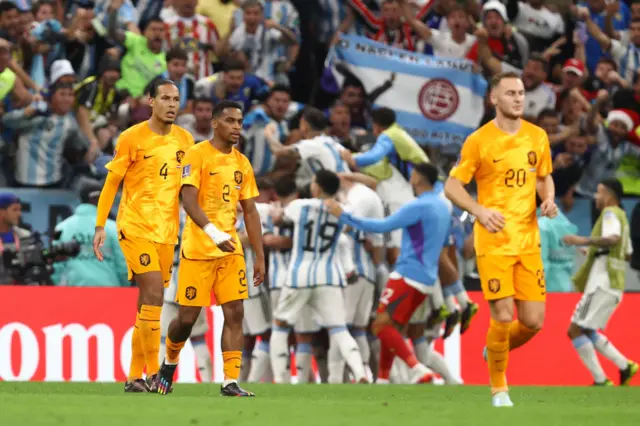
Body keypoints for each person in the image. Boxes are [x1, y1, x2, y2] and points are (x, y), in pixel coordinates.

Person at [444, 71, 558, 407]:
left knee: (533, 323)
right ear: (494, 98)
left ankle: (495, 347)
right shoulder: (479, 141)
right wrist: (479, 210)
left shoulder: (537, 137)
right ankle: (499, 389)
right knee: (504, 315)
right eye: (510, 93)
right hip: (493, 240)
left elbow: (543, 177)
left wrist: (547, 198)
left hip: (528, 240)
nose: (518, 98)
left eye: (521, 93)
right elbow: (452, 187)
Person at [157, 100, 265, 397]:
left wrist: (259, 255)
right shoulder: (197, 154)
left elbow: (251, 212)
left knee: (235, 312)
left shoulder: (242, 162)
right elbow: (188, 200)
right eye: (230, 121)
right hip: (198, 250)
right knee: (187, 319)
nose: (237, 128)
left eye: (240, 122)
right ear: (215, 123)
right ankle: (169, 362)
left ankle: (230, 381)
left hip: (230, 252)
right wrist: (213, 232)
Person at [93, 79, 195, 393]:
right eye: (165, 98)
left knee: (147, 306)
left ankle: (134, 376)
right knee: (152, 293)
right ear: (150, 100)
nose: (172, 104)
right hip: (134, 225)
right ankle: (155, 373)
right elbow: (112, 183)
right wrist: (100, 225)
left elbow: (189, 189)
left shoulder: (186, 140)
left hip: (167, 232)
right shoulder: (131, 137)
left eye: (176, 99)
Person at [325, 162, 450, 385]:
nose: (410, 177)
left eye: (413, 174)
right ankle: (383, 379)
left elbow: (382, 227)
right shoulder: (441, 206)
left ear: (419, 178)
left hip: (408, 273)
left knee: (380, 325)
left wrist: (342, 215)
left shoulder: (418, 206)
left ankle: (417, 369)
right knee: (391, 328)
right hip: (427, 278)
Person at [269, 169, 366, 384]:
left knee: (280, 325)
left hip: (299, 276)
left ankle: (280, 377)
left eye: (313, 182)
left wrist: (277, 218)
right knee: (339, 328)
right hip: (329, 276)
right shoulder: (343, 210)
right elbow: (349, 228)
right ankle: (360, 373)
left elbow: (279, 219)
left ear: (318, 187)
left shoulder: (299, 206)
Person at [563, 179, 638, 386]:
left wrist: (582, 240)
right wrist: (595, 252)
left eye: (599, 192)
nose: (596, 197)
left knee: (574, 330)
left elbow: (613, 239)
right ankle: (624, 366)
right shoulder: (623, 217)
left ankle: (600, 379)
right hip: (613, 283)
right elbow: (627, 253)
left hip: (601, 283)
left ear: (610, 195)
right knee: (586, 329)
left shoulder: (610, 213)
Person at [53, 184, 128, 287]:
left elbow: (56, 266)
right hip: (109, 293)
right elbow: (123, 265)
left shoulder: (62, 228)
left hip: (73, 293)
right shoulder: (113, 228)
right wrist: (123, 288)